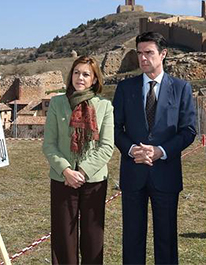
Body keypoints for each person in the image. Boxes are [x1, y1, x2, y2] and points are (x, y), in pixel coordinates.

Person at [112, 31, 196, 264]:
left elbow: (188, 131)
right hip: (133, 173)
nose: (143, 58)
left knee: (166, 240)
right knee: (132, 238)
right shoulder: (125, 88)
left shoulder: (181, 88)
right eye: (139, 53)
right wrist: (131, 150)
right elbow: (116, 128)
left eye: (149, 52)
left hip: (166, 174)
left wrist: (161, 151)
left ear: (164, 54)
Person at [43, 55, 114, 265]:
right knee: (63, 237)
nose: (80, 78)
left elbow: (106, 146)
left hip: (93, 181)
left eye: (86, 74)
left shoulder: (104, 106)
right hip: (62, 179)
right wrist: (66, 170)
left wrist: (82, 172)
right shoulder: (57, 103)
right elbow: (49, 144)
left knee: (92, 239)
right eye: (76, 72)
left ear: (94, 79)